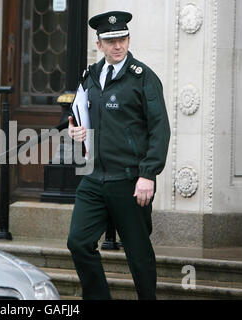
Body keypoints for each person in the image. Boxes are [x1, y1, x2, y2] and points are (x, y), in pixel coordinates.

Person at [67, 11, 171, 300]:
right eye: (111, 40)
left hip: (129, 180)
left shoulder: (143, 77)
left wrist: (148, 174)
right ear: (99, 44)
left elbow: (159, 129)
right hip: (93, 178)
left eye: (122, 39)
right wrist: (75, 131)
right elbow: (79, 116)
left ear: (128, 39)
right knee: (78, 242)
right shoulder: (91, 76)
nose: (118, 45)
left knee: (138, 253)